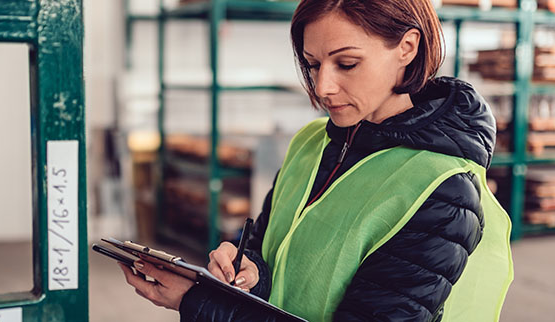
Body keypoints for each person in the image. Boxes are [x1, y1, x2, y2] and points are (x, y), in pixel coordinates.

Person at [118, 0, 514, 321]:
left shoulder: (442, 191)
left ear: (407, 48)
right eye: (312, 64)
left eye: (346, 64)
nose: (323, 87)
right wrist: (250, 272)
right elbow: (268, 250)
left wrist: (200, 303)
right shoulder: (311, 142)